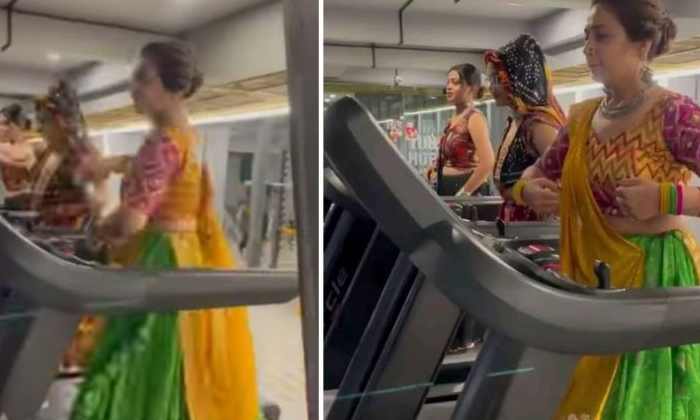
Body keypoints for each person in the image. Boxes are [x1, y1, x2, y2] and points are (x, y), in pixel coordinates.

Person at [512, 1, 700, 418]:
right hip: (591, 275)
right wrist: (528, 191)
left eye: (602, 36)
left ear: (642, 45)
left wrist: (667, 197)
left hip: (652, 277)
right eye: (586, 36)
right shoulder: (581, 119)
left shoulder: (675, 113)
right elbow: (534, 171)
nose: (588, 48)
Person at [70, 41, 260, 420]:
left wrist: (96, 226)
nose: (133, 88)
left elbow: (130, 222)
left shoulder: (159, 144)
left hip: (158, 257)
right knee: (179, 364)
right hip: (187, 256)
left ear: (173, 88)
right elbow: (154, 171)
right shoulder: (185, 135)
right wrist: (112, 163)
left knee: (136, 363)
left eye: (143, 78)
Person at [485, 34, 567, 221]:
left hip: (536, 229)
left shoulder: (538, 126)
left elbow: (570, 180)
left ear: (516, 79)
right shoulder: (518, 122)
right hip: (517, 222)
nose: (491, 87)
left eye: (496, 79)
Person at [424, 63, 494, 197]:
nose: (449, 87)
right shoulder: (452, 120)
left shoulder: (474, 119)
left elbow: (488, 162)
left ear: (470, 89)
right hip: (446, 186)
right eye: (448, 82)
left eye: (455, 83)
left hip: (465, 186)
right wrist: (434, 167)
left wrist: (465, 192)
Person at [0, 104, 46, 210]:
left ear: (14, 126)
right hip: (13, 203)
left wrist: (5, 160)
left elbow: (33, 167)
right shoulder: (3, 146)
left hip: (37, 203)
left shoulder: (37, 143)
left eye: (1, 124)